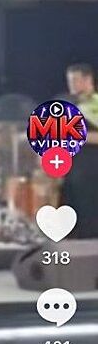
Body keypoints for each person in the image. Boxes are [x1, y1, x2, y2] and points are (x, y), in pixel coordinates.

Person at [61, 63, 98, 237]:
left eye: (75, 80)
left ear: (88, 79)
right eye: (70, 81)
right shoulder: (71, 105)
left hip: (92, 172)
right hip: (72, 172)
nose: (72, 85)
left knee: (90, 218)